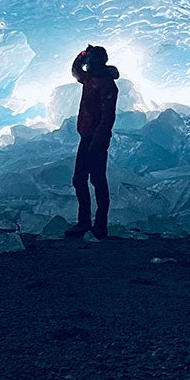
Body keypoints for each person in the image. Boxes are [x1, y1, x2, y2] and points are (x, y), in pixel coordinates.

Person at [67, 44, 119, 238]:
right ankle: (84, 222)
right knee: (79, 179)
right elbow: (75, 70)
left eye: (90, 60)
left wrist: (97, 141)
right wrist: (81, 54)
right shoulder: (89, 79)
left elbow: (108, 117)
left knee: (97, 180)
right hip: (87, 136)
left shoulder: (106, 84)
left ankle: (100, 225)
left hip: (97, 139)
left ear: (99, 62)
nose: (87, 64)